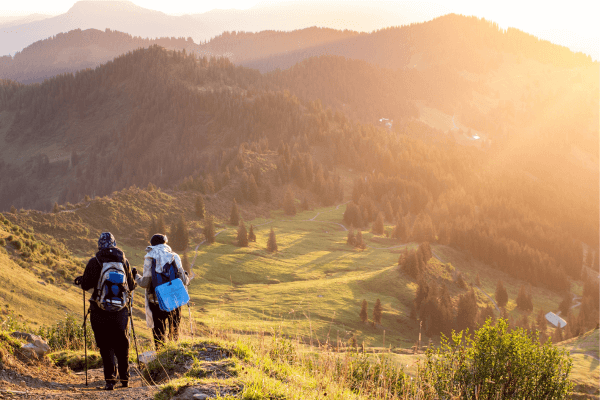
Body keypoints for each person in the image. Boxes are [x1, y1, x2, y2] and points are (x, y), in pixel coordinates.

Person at [74, 232, 135, 390]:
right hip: (121, 310)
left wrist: (82, 279)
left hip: (99, 310)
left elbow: (86, 285)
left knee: (106, 344)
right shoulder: (124, 261)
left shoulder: (95, 261)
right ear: (114, 244)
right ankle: (125, 378)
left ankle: (110, 380)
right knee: (122, 343)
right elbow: (131, 285)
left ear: (99, 245)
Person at [135, 233, 189, 349]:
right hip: (174, 300)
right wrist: (186, 276)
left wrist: (136, 277)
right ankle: (174, 354)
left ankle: (160, 356)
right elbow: (184, 281)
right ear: (165, 243)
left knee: (159, 333)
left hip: (156, 301)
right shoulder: (174, 256)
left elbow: (144, 283)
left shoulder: (149, 257)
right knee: (174, 331)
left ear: (152, 244)